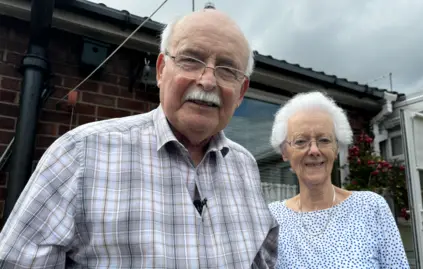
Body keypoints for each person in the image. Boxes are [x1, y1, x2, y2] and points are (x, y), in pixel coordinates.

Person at [0, 8, 278, 269]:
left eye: (227, 69)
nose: (207, 80)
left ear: (241, 92)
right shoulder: (80, 154)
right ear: (160, 70)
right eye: (191, 60)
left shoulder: (246, 167)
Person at [267, 91, 409, 268]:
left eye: (324, 140)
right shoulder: (271, 219)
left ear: (336, 148)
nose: (313, 150)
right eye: (301, 141)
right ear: (284, 152)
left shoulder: (371, 208)